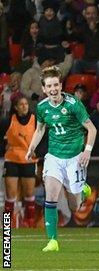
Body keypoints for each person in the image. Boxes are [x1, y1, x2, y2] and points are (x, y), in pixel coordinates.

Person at [25, 66, 97, 252]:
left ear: (61, 84)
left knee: (75, 207)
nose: (53, 89)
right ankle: (53, 241)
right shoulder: (42, 107)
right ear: (44, 89)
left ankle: (83, 190)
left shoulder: (73, 104)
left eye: (56, 84)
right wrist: (31, 148)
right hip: (54, 157)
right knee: (51, 197)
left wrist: (87, 151)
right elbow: (40, 129)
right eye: (49, 86)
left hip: (75, 159)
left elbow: (92, 129)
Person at [1, 96, 40, 227]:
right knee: (10, 194)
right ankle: (8, 223)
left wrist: (38, 151)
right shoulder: (8, 121)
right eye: (21, 104)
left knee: (29, 194)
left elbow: (45, 136)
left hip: (29, 160)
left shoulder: (35, 120)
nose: (24, 106)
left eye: (26, 104)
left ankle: (29, 222)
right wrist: (3, 148)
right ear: (16, 107)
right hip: (12, 159)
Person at [70, 4, 99, 77]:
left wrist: (94, 31)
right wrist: (69, 30)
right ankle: (78, 87)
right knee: (76, 62)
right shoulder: (84, 27)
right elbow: (76, 37)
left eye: (93, 13)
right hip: (88, 60)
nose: (91, 16)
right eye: (88, 14)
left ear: (98, 15)